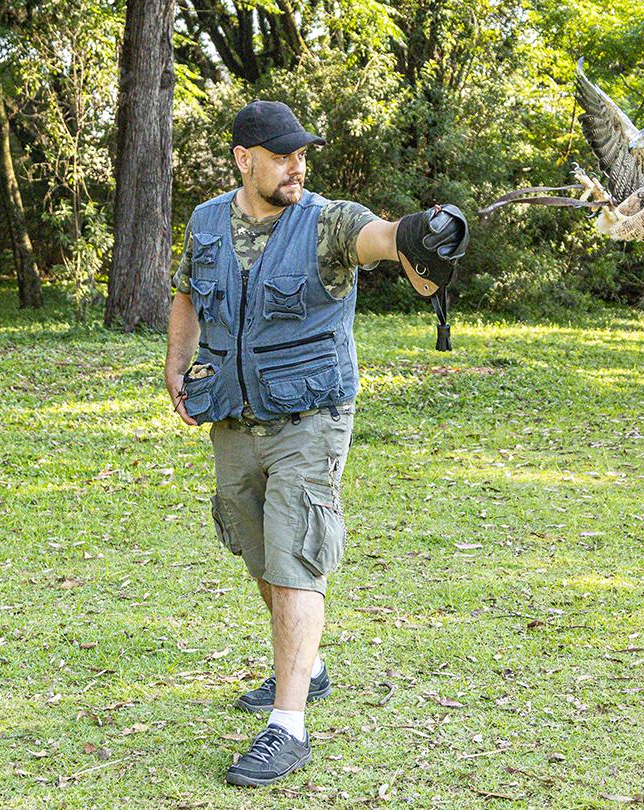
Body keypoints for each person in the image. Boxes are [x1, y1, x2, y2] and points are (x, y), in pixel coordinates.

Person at [164, 100, 467, 787]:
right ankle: (312, 665)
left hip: (311, 417)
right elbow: (186, 294)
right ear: (243, 158)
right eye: (281, 155)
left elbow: (379, 238)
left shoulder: (327, 218)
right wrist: (176, 362)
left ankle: (288, 726)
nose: (296, 165)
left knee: (297, 552)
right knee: (261, 550)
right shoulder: (209, 220)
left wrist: (419, 235)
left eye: (302, 153)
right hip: (235, 415)